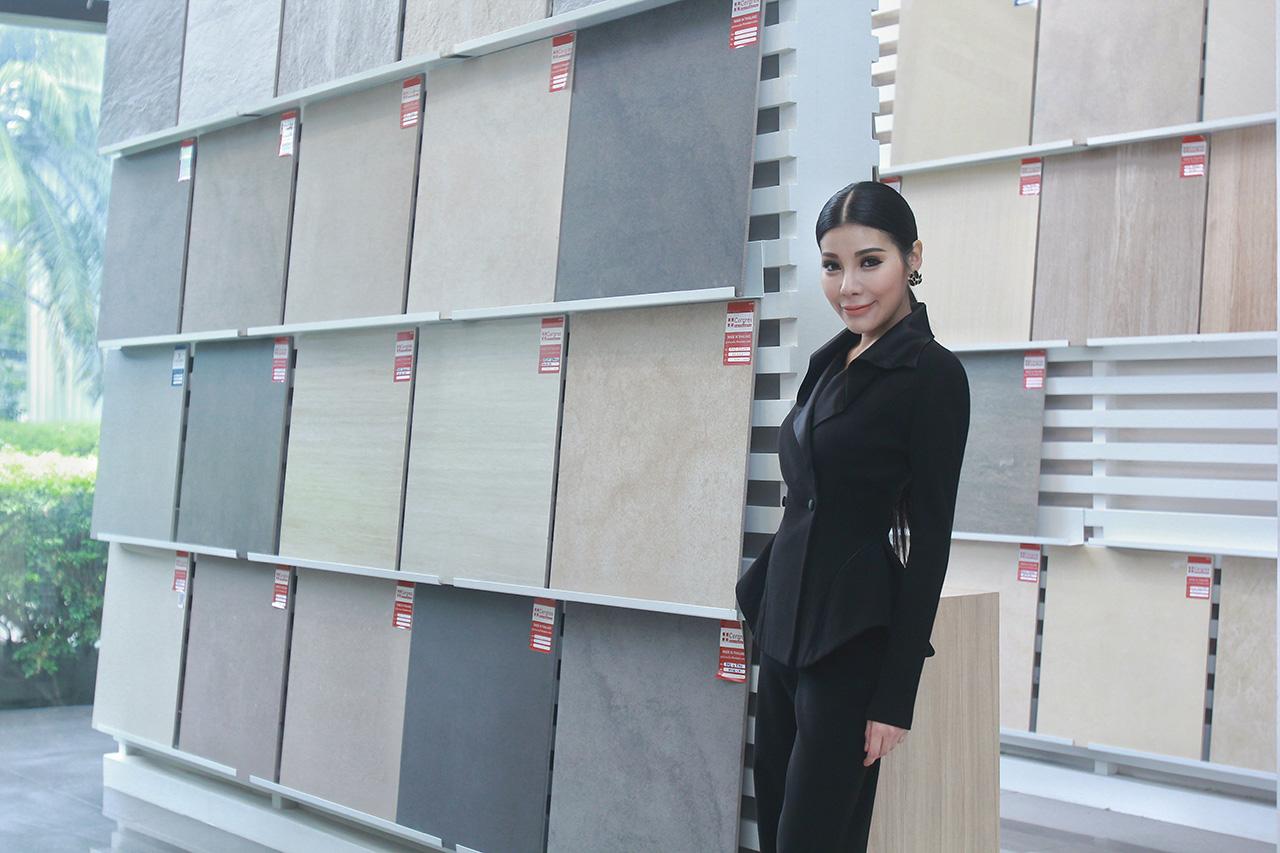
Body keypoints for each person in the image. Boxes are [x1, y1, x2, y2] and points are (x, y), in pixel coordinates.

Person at [735, 180, 971, 852]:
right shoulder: (829, 360)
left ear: (912, 257)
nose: (849, 286)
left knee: (812, 839)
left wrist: (896, 696)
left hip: (849, 641)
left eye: (870, 261)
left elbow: (930, 541)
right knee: (777, 827)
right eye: (832, 265)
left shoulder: (932, 374)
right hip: (783, 629)